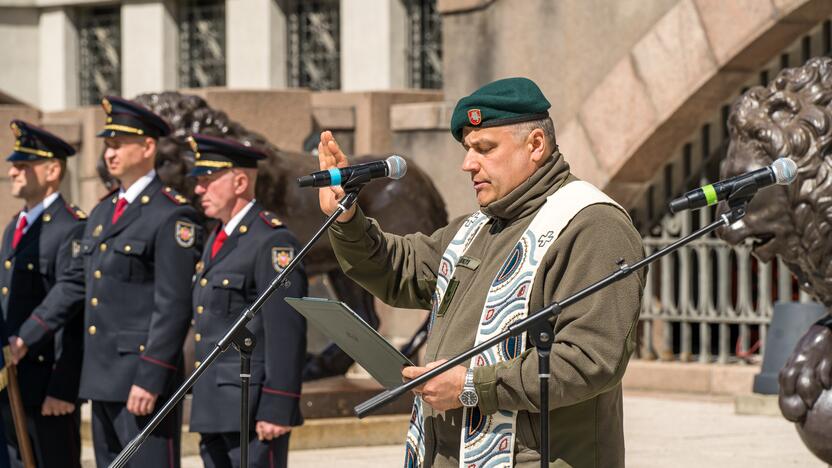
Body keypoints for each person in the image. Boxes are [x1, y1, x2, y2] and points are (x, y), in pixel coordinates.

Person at [318, 77, 645, 467]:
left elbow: (589, 361)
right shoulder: (477, 227)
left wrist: (472, 385)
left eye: (484, 149)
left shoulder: (591, 225)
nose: (467, 163)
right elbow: (400, 270)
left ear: (536, 145)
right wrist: (348, 216)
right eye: (467, 149)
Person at [12, 97, 203, 467]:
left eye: (118, 145)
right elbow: (76, 284)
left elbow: (173, 304)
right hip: (101, 378)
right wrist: (27, 335)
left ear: (147, 147)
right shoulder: (102, 212)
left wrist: (151, 377)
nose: (109, 153)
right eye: (107, 145)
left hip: (140, 379)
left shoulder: (171, 213)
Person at [187, 134, 307, 468]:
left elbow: (286, 330)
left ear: (240, 182)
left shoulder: (271, 240)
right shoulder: (217, 238)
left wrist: (278, 406)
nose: (199, 189)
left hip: (252, 410)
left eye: (208, 180)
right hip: (214, 406)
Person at [0, 120, 85, 468]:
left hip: (48, 383)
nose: (12, 172)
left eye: (23, 165)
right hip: (14, 382)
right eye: (13, 165)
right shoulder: (14, 227)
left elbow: (76, 307)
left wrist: (63, 387)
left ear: (52, 170)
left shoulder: (72, 227)